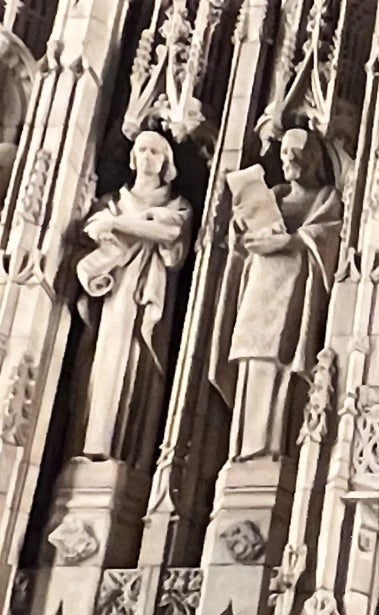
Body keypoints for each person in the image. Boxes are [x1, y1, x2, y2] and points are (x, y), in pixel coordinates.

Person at [211, 128, 341, 461]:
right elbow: (240, 246)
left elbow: (327, 232)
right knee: (252, 362)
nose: (288, 160)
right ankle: (243, 451)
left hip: (293, 286)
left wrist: (289, 241)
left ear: (312, 158)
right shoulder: (274, 196)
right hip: (259, 285)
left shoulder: (325, 195)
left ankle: (273, 449)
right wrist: (241, 230)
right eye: (284, 153)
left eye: (296, 153)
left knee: (282, 361)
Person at [74, 130, 194, 463]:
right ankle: (93, 446)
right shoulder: (112, 202)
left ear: (166, 162)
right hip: (113, 298)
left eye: (155, 151)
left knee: (140, 367)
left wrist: (118, 225)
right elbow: (92, 230)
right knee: (104, 365)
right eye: (141, 150)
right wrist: (135, 222)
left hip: (148, 299)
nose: (147, 157)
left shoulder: (177, 206)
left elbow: (170, 232)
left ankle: (128, 458)